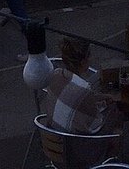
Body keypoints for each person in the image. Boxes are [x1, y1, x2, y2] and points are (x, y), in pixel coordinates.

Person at [43, 35, 120, 163]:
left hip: (53, 144)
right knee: (116, 116)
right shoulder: (84, 89)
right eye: (89, 56)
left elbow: (74, 100)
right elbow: (95, 125)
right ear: (84, 61)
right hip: (74, 153)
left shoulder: (56, 74)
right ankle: (108, 161)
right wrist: (110, 106)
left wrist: (98, 98)